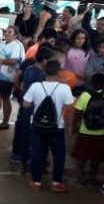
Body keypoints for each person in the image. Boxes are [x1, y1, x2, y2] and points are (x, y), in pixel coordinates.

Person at [21, 59, 75, 192]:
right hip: (57, 127)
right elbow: (69, 109)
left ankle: (36, 182)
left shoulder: (36, 86)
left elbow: (25, 104)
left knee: (37, 154)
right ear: (59, 72)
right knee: (59, 154)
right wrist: (70, 126)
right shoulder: (65, 88)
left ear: (45, 71)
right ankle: (56, 183)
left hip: (38, 126)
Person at [71, 73, 104, 185]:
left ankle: (79, 178)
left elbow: (78, 112)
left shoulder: (85, 95)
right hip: (103, 131)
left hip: (86, 130)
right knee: (96, 157)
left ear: (91, 83)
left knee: (81, 156)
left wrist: (75, 126)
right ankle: (92, 178)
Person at [0, 25, 26, 131]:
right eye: (6, 31)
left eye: (10, 32)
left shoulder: (17, 46)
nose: (6, 33)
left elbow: (15, 61)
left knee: (5, 98)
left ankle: (5, 122)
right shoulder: (2, 43)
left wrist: (0, 60)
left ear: (16, 35)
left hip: (8, 77)